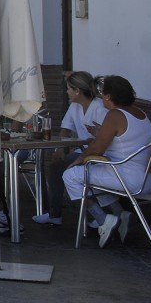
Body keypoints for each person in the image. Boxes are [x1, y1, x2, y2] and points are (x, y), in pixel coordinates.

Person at [62, 75, 151, 247]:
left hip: (129, 180)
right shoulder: (140, 113)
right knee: (97, 171)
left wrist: (77, 160)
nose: (100, 98)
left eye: (101, 95)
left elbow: (96, 149)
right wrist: (102, 131)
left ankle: (103, 220)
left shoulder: (114, 115)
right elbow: (126, 138)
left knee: (71, 175)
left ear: (108, 96)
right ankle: (121, 214)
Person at [33, 71, 107, 226]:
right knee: (55, 167)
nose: (67, 92)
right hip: (82, 151)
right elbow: (65, 129)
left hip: (99, 154)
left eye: (69, 88)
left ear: (77, 91)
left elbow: (103, 139)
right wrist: (60, 149)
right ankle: (55, 214)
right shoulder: (75, 106)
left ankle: (93, 217)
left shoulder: (99, 108)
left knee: (66, 169)